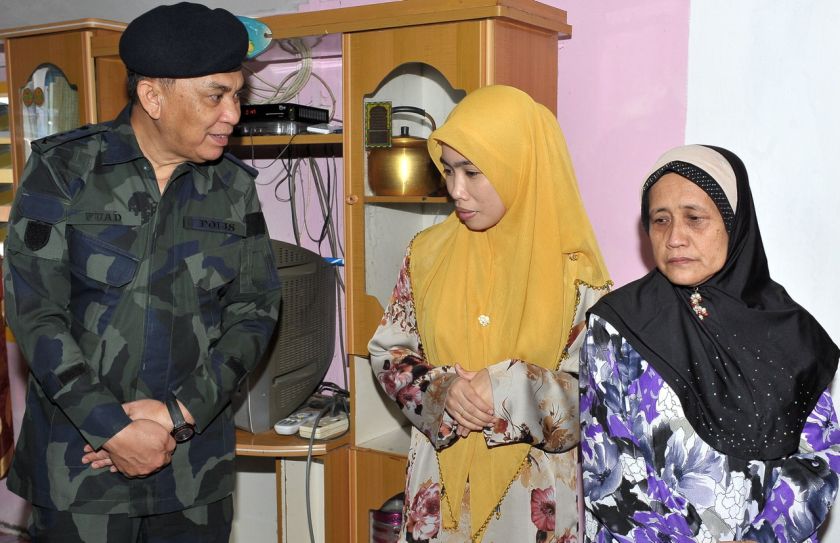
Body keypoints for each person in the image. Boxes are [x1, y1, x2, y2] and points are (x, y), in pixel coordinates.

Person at [2, 3, 282, 541]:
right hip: (80, 470)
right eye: (215, 95)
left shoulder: (233, 188)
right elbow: (35, 312)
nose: (233, 114)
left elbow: (257, 309)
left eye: (237, 96)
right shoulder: (64, 171)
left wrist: (179, 412)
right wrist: (113, 428)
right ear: (153, 96)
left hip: (193, 474)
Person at [368, 85, 611, 542]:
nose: (456, 190)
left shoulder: (578, 275)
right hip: (438, 491)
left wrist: (509, 388)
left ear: (518, 165)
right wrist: (443, 389)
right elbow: (389, 351)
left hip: (532, 502)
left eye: (472, 172)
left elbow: (598, 398)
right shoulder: (426, 255)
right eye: (448, 170)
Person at [581, 144, 840, 542]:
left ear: (734, 225)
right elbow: (609, 472)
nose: (674, 238)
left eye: (695, 219)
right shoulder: (618, 325)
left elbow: (818, 462)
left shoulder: (789, 332)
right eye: (660, 220)